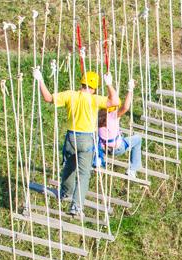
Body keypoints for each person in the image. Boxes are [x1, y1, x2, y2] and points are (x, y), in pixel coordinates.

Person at [32, 67, 120, 217]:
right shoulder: (94, 99)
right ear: (94, 88)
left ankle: (65, 193)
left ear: (82, 83)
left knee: (69, 165)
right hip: (86, 139)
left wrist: (39, 79)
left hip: (71, 137)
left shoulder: (70, 95)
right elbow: (115, 101)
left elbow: (48, 98)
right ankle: (76, 206)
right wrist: (109, 84)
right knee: (84, 173)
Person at [97, 78, 144, 180]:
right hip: (116, 149)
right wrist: (130, 90)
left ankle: (98, 159)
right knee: (138, 138)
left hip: (102, 148)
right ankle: (132, 169)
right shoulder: (113, 116)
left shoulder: (98, 116)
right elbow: (126, 107)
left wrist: (109, 84)